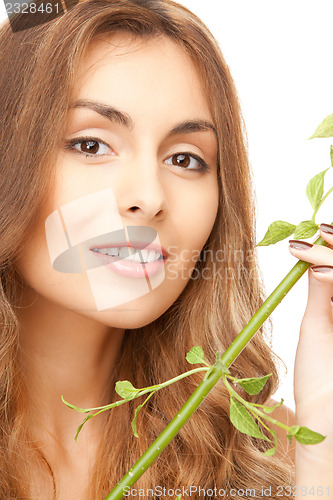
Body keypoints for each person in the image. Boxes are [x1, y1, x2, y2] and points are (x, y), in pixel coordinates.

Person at [0, 0, 332, 498]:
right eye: (90, 145)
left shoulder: (275, 454)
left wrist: (321, 449)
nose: (150, 199)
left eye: (185, 159)